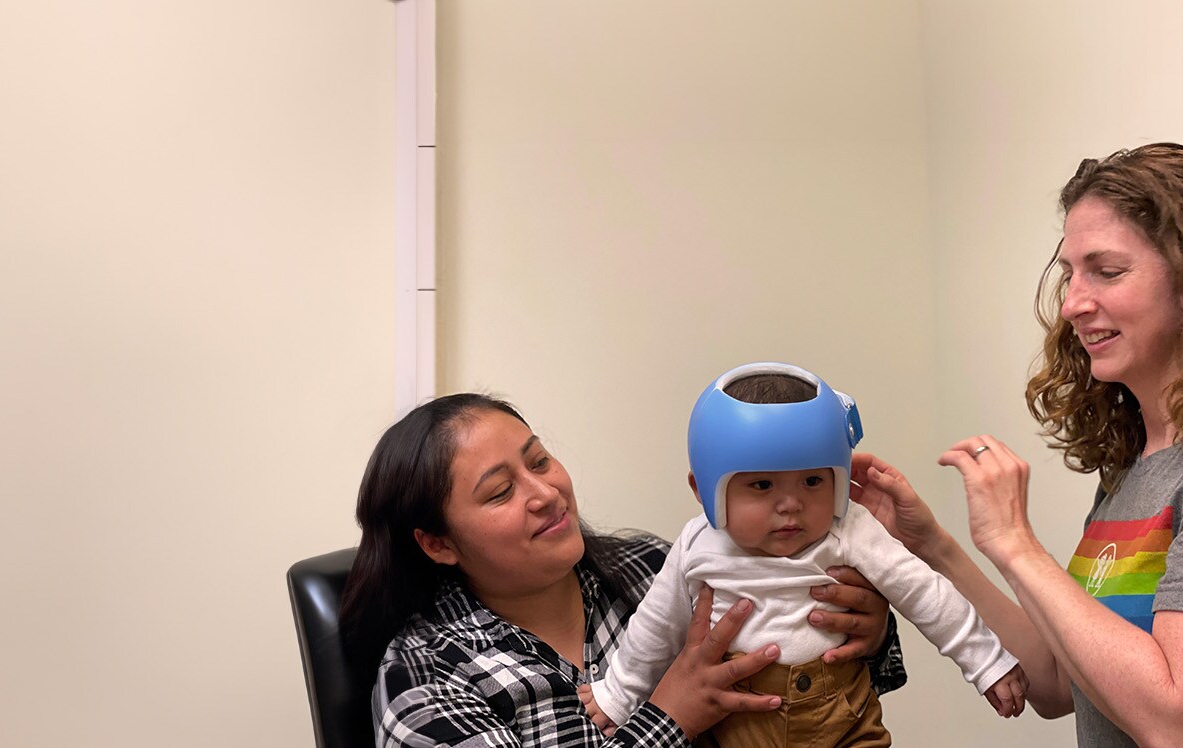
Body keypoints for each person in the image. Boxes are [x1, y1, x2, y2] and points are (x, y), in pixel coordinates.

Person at [850, 142, 1183, 748]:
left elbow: (1171, 721)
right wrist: (937, 548)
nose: (1074, 304)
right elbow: (1059, 683)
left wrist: (1018, 543)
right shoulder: (1130, 473)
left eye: (1107, 271)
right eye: (1069, 275)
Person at [338, 392, 907, 747]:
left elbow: (819, 702)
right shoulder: (424, 679)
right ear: (438, 543)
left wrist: (866, 631)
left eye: (539, 461)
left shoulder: (653, 569)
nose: (545, 493)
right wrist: (669, 717)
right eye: (500, 492)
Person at [580, 363, 1026, 747]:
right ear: (706, 491)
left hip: (843, 715)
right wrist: (619, 694)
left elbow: (925, 593)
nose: (790, 504)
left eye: (812, 481)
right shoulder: (697, 545)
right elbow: (655, 627)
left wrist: (985, 662)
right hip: (735, 723)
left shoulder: (849, 529)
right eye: (762, 485)